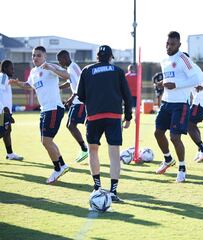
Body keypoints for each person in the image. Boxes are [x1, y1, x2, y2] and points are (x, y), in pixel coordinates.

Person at [76, 45, 132, 202]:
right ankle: (113, 191)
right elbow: (127, 96)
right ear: (110, 57)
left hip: (93, 117)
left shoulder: (86, 70)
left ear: (97, 57)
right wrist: (128, 117)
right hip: (113, 116)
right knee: (114, 153)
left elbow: (80, 96)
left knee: (93, 151)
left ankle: (97, 187)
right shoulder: (118, 71)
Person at [10, 46, 70, 184]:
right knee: (47, 141)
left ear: (44, 57)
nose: (35, 58)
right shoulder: (33, 71)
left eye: (38, 55)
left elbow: (67, 76)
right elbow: (29, 85)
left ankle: (57, 168)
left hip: (54, 108)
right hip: (44, 110)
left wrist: (53, 69)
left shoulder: (49, 67)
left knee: (46, 141)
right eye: (33, 55)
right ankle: (62, 165)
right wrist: (17, 83)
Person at [154, 31, 200, 182]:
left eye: (172, 44)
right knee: (158, 133)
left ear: (179, 45)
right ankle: (168, 159)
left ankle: (182, 168)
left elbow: (195, 79)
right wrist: (162, 83)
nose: (169, 46)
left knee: (175, 137)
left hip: (180, 104)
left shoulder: (183, 59)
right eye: (167, 43)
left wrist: (176, 85)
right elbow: (169, 79)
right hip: (166, 102)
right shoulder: (163, 60)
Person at [57, 50, 88, 163]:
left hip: (79, 101)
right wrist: (58, 87)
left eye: (60, 60)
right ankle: (85, 148)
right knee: (70, 125)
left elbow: (81, 85)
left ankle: (85, 149)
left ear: (65, 58)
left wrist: (70, 98)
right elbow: (70, 82)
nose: (59, 63)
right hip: (76, 101)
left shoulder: (73, 68)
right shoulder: (70, 68)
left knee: (71, 125)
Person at [184, 53, 203, 163]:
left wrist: (201, 86)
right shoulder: (189, 69)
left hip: (200, 102)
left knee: (188, 124)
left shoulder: (192, 68)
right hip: (200, 101)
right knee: (192, 124)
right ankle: (201, 150)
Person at [0, 60, 23, 160]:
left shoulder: (6, 78)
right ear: (5, 68)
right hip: (2, 112)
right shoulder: (3, 77)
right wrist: (4, 109)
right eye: (11, 68)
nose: (13, 71)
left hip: (5, 112)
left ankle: (10, 154)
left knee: (8, 130)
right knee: (2, 132)